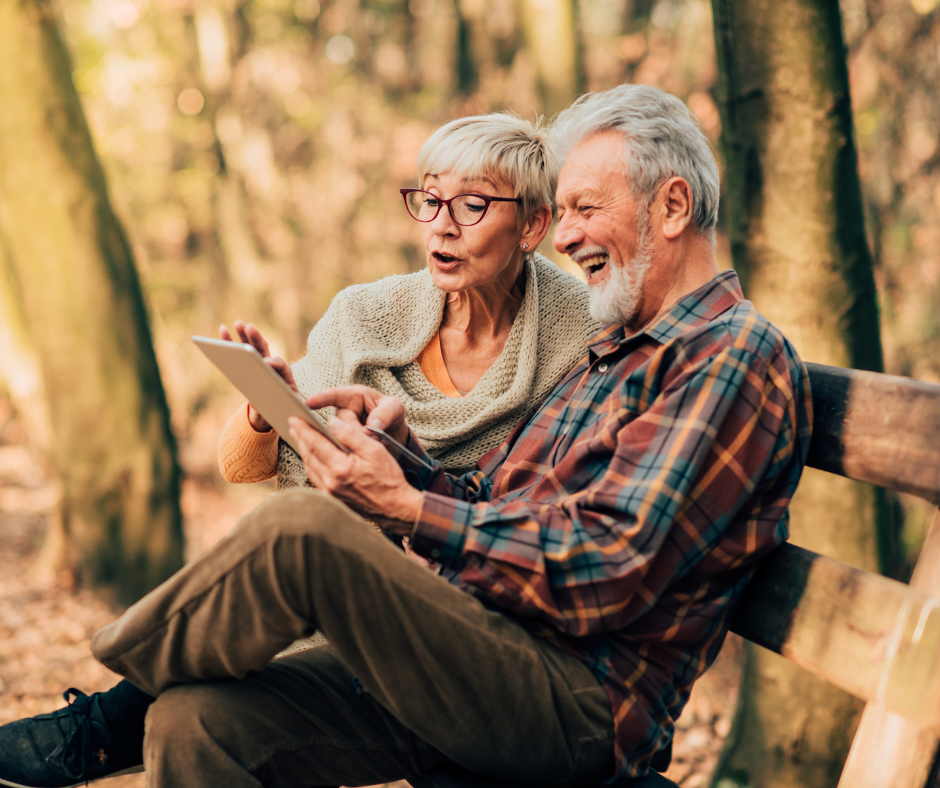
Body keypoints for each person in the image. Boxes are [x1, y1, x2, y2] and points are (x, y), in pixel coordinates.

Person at [0, 84, 813, 788]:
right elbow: (497, 501)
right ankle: (137, 707)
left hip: (578, 705)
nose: (566, 237)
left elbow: (610, 569)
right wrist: (401, 467)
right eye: (563, 212)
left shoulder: (731, 357)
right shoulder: (619, 350)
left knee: (303, 529)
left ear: (672, 206)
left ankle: (103, 714)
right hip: (487, 649)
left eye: (583, 210)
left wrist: (409, 512)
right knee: (195, 723)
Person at [215, 112, 599, 490]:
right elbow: (239, 468)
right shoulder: (363, 316)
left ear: (532, 224)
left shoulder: (586, 336)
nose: (441, 226)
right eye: (430, 200)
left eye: (471, 204)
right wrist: (267, 406)